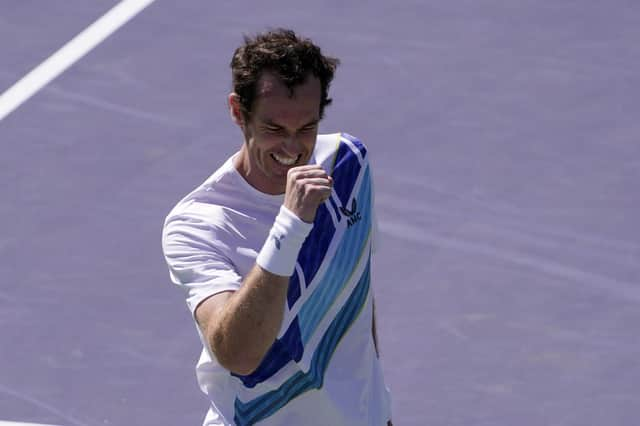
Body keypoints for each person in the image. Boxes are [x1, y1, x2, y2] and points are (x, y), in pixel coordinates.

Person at [162, 28, 392, 426]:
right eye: (274, 130)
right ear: (238, 112)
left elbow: (356, 288)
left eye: (306, 128)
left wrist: (378, 407)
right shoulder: (197, 225)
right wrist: (290, 225)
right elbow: (238, 356)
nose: (291, 147)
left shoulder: (348, 163)